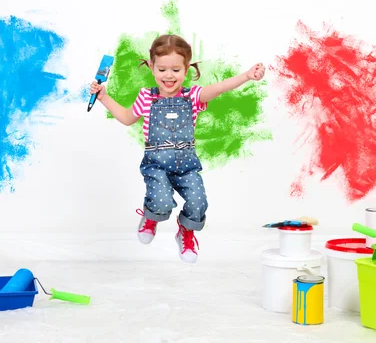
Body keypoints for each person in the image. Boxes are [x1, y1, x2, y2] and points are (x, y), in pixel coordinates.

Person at [89, 34, 265, 263]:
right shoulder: (145, 97)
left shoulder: (193, 97)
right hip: (156, 164)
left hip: (186, 166)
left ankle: (186, 231)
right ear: (152, 67)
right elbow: (125, 117)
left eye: (175, 70)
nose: (169, 76)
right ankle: (151, 216)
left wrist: (246, 76)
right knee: (161, 200)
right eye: (162, 70)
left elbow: (219, 88)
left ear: (186, 70)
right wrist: (103, 97)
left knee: (199, 202)